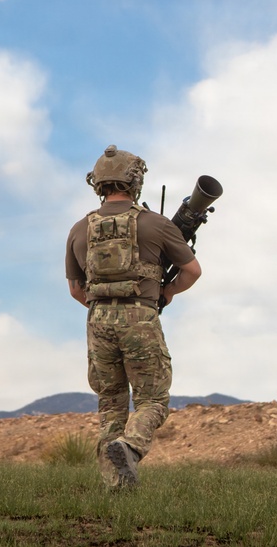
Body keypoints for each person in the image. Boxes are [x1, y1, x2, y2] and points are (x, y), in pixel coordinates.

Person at [65, 145, 202, 489]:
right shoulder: (155, 225)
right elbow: (192, 271)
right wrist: (164, 294)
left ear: (98, 183)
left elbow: (75, 289)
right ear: (134, 180)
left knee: (111, 405)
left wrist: (104, 309)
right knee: (152, 400)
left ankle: (116, 486)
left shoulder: (79, 230)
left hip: (97, 320)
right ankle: (129, 446)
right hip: (139, 318)